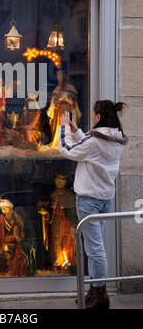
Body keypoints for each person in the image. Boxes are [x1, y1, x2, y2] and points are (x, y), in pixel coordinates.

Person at [58, 100, 128, 309]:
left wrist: (62, 127)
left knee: (95, 249)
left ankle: (100, 294)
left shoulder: (93, 142)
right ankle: (95, 291)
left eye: (92, 114)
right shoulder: (115, 139)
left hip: (88, 200)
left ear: (98, 117)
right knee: (94, 247)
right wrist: (77, 131)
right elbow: (92, 150)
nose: (91, 117)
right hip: (104, 198)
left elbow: (68, 150)